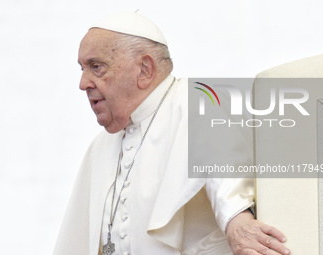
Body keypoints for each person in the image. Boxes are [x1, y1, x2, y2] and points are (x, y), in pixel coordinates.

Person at [53, 12, 290, 255]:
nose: (83, 83)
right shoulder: (100, 147)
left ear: (144, 69)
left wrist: (237, 220)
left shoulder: (196, 102)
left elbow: (224, 166)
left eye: (96, 67)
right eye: (82, 69)